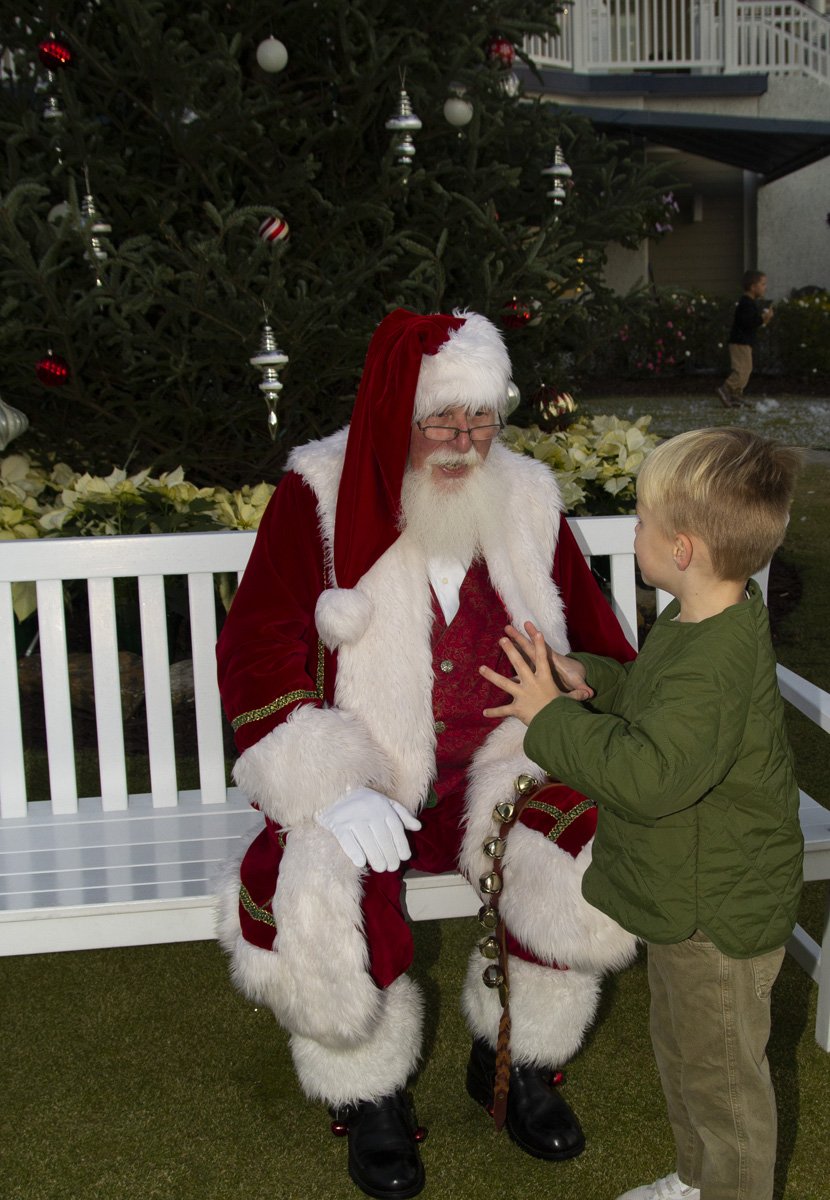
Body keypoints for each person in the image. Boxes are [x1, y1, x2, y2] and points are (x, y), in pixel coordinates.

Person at [215, 307, 640, 1199]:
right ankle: (368, 1093)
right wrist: (327, 782)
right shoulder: (318, 492)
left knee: (573, 842)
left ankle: (515, 1056)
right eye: (442, 420)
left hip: (503, 749)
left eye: (481, 419)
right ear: (395, 411)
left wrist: (581, 687)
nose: (464, 441)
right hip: (369, 764)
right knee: (329, 876)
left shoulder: (524, 496)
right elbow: (257, 642)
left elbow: (598, 638)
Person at [479, 426, 804, 1200]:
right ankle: (699, 1182)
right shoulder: (702, 622)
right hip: (685, 897)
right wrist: (583, 678)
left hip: (717, 915)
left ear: (683, 549)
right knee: (685, 1057)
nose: (635, 532)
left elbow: (651, 775)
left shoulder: (713, 663)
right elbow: (647, 702)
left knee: (724, 1086)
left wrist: (548, 719)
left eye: (645, 520)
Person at [717, 270, 773, 408]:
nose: (765, 287)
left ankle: (735, 395)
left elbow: (751, 323)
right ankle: (726, 389)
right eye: (762, 284)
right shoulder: (746, 303)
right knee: (741, 369)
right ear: (753, 286)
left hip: (744, 342)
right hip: (740, 342)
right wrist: (763, 318)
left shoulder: (750, 302)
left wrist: (763, 320)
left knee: (746, 369)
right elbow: (748, 322)